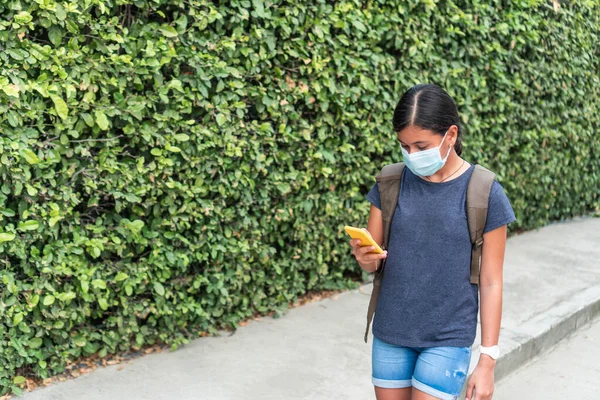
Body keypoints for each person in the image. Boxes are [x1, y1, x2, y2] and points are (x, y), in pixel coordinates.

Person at [349, 83, 516, 400]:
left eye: (421, 145)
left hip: (448, 338)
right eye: (404, 146)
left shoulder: (484, 191)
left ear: (450, 135)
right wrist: (364, 257)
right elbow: (373, 261)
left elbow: (492, 281)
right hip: (391, 332)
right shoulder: (389, 182)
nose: (411, 155)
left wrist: (488, 359)